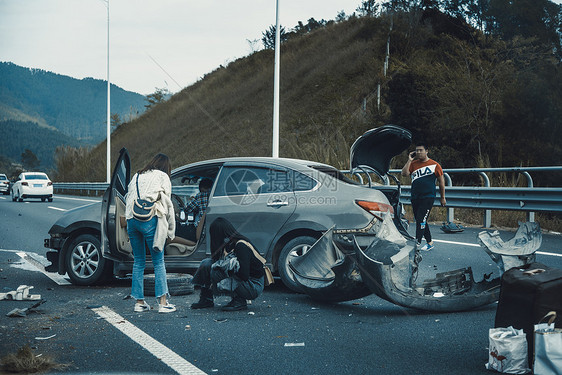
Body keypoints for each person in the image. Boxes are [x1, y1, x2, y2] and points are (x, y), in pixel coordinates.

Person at [125, 153, 177, 313]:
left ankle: (139, 303)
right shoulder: (162, 176)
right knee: (158, 262)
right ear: (165, 167)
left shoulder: (137, 175)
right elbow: (166, 200)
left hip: (131, 218)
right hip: (150, 218)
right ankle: (163, 303)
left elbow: (128, 196)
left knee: (139, 261)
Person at [191, 217, 265, 311]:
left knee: (216, 271)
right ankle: (206, 299)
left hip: (253, 286)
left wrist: (224, 273)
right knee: (206, 263)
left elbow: (244, 275)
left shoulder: (241, 245)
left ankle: (239, 300)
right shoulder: (229, 244)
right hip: (244, 282)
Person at [401, 142, 446, 251]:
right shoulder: (414, 164)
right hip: (415, 196)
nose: (419, 152)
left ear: (427, 151)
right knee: (420, 220)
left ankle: (417, 244)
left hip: (428, 196)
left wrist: (442, 197)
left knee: (421, 219)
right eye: (417, 150)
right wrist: (409, 160)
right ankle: (430, 242)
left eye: (421, 150)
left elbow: (441, 182)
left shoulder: (435, 165)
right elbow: (404, 174)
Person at [182, 178, 213, 242]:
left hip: (202, 231)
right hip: (211, 229)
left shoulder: (200, 196)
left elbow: (187, 209)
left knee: (180, 232)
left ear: (201, 188)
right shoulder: (214, 197)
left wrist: (190, 200)